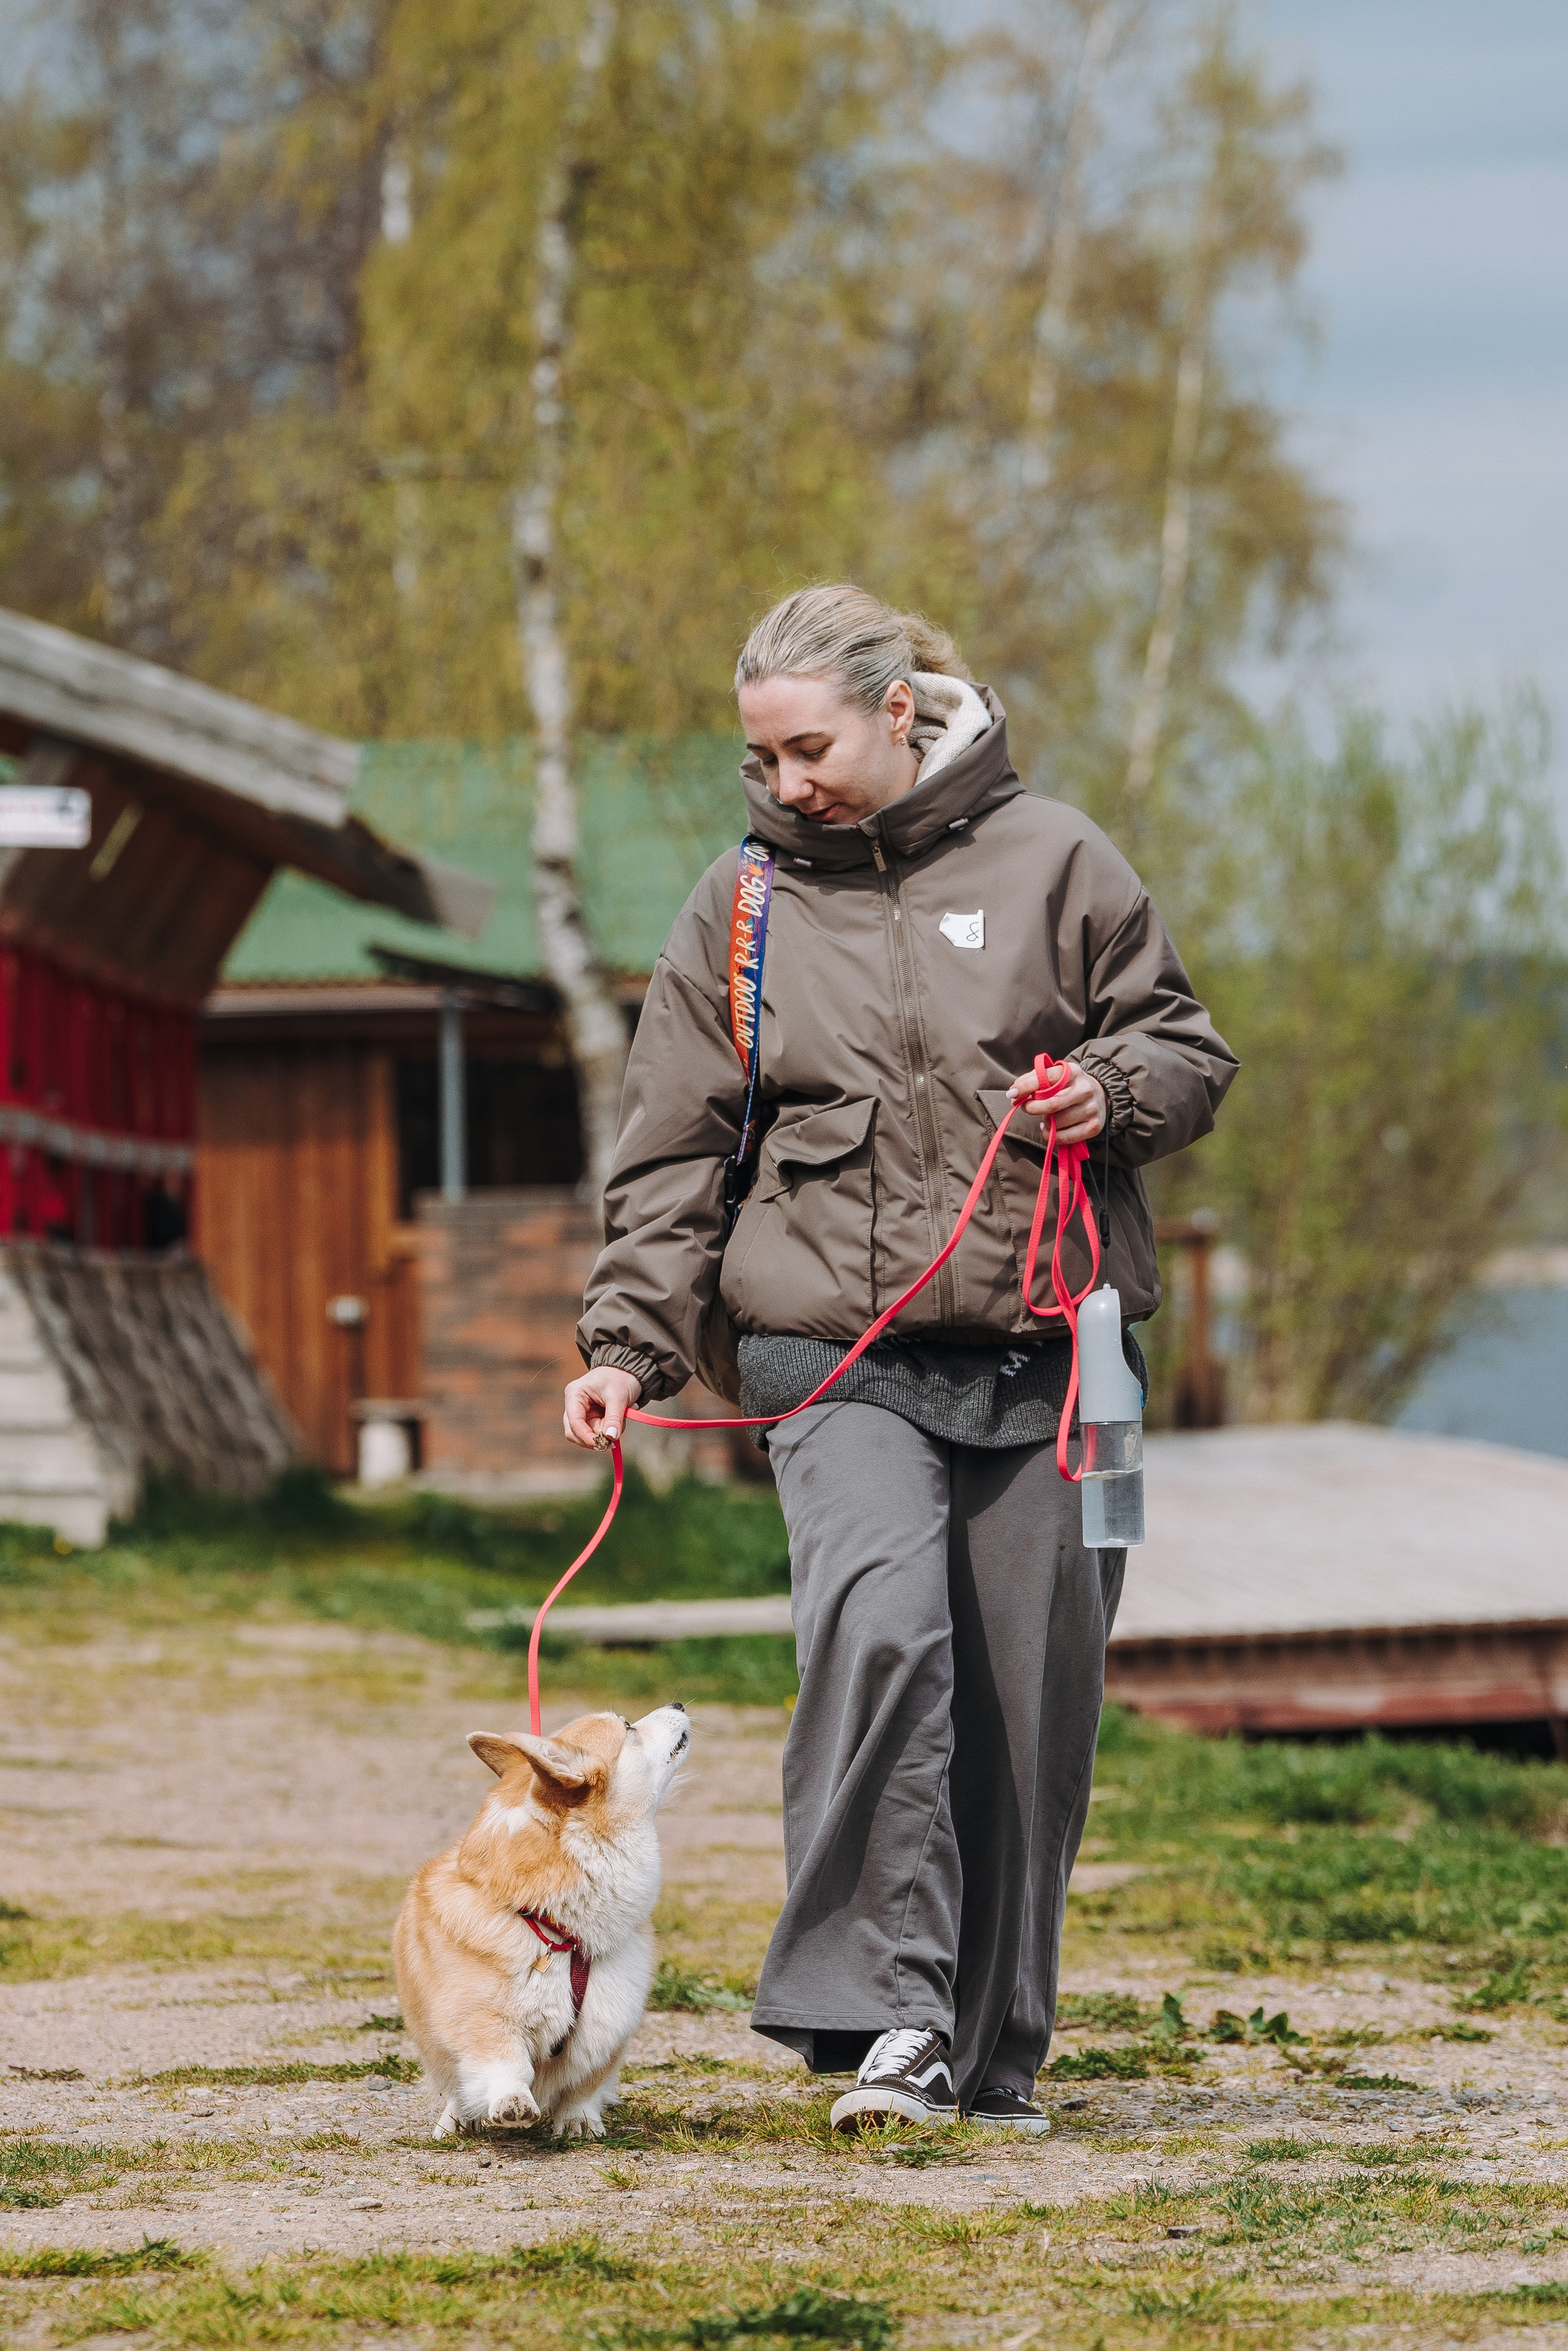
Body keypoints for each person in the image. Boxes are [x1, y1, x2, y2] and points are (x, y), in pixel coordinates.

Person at [565, 586, 1237, 2133]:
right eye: (762, 755)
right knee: (880, 1630)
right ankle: (882, 2010)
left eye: (809, 747)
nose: (784, 781)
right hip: (830, 1347)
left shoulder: (1059, 858)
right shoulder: (738, 908)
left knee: (1027, 1697)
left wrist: (1112, 1090)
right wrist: (627, 1344)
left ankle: (982, 2047)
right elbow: (672, 1148)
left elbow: (1186, 1050)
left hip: (1044, 1354)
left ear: (897, 710)